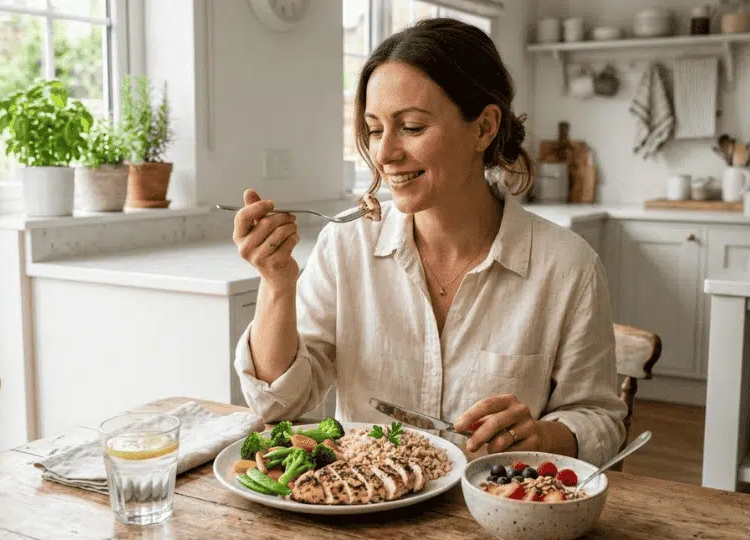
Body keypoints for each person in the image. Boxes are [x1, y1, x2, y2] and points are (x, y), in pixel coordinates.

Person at [230, 18, 626, 466]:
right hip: (363, 505)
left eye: (412, 127)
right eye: (376, 129)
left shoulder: (568, 266)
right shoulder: (344, 248)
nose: (384, 154)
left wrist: (543, 436)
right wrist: (277, 284)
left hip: (493, 513)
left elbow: (599, 419)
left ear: (484, 128)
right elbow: (277, 404)